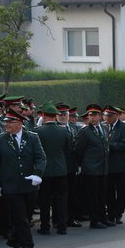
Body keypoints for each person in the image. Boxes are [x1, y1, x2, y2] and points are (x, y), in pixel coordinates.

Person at [0, 109, 46, 248]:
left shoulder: (32, 137)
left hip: (29, 184)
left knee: (26, 216)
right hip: (11, 185)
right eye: (6, 122)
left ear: (20, 123)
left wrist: (37, 174)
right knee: (20, 216)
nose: (6, 124)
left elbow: (41, 157)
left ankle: (14, 238)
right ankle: (27, 244)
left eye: (10, 122)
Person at [34, 101, 72, 235]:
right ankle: (62, 226)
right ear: (55, 116)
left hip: (44, 171)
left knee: (44, 200)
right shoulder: (64, 131)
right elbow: (68, 150)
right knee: (60, 199)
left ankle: (45, 226)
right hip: (60, 169)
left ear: (44, 115)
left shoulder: (37, 131)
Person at [75, 104, 110, 229]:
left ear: (100, 116)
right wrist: (80, 165)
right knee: (93, 196)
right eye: (90, 115)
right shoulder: (85, 132)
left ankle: (103, 218)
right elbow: (78, 150)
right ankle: (94, 220)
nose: (92, 118)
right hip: (91, 169)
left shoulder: (104, 128)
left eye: (95, 115)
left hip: (103, 168)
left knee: (102, 195)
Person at [105, 105, 125, 225]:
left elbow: (124, 145)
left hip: (120, 165)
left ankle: (118, 213)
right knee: (109, 191)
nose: (107, 118)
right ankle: (110, 214)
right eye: (106, 116)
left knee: (120, 191)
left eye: (109, 116)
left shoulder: (124, 127)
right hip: (108, 165)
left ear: (115, 116)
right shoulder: (104, 126)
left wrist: (108, 145)